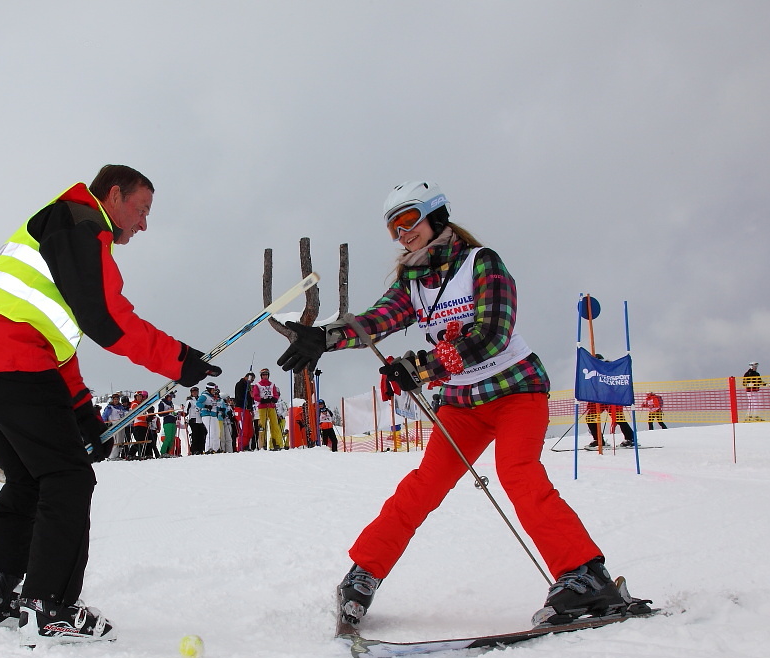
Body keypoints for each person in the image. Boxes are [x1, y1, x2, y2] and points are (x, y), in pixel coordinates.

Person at [276, 179, 645, 629]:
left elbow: (492, 334)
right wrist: (325, 338)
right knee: (423, 486)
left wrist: (424, 367)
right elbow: (377, 320)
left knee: (518, 473)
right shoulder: (413, 282)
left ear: (437, 217)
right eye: (394, 228)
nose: (402, 233)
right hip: (463, 401)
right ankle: (363, 575)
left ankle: (585, 575)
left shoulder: (481, 264)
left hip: (515, 389)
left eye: (409, 220)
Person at [0, 165, 220, 648]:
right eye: (142, 210)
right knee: (67, 479)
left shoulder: (63, 227)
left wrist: (82, 413)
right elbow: (107, 319)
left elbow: (60, 343)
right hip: (6, 350)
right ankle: (52, 607)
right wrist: (178, 360)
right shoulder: (80, 222)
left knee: (29, 477)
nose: (144, 224)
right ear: (114, 194)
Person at [252, 368, 285, 450]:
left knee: (274, 424)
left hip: (271, 406)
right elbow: (255, 396)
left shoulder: (272, 384)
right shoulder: (257, 385)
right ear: (261, 376)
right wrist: (262, 400)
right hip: (262, 407)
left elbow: (276, 394)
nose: (265, 376)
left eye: (266, 374)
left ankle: (276, 443)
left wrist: (274, 399)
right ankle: (262, 444)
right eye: (263, 375)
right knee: (262, 426)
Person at [197, 382, 226, 453]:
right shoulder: (204, 396)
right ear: (209, 389)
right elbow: (198, 403)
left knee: (217, 432)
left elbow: (214, 406)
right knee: (211, 432)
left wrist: (220, 410)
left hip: (213, 415)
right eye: (213, 389)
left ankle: (216, 448)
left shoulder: (212, 397)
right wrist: (206, 406)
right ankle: (208, 448)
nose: (214, 391)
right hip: (207, 415)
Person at [233, 372, 256, 452]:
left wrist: (251, 408)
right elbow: (240, 397)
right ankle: (241, 447)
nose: (251, 382)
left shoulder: (248, 386)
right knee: (244, 429)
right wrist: (248, 395)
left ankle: (246, 445)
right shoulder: (240, 384)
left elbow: (250, 398)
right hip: (240, 409)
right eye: (251, 380)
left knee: (250, 430)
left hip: (247, 409)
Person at [183, 386, 206, 454]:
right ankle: (194, 450)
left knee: (202, 434)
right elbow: (185, 411)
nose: (195, 393)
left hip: (200, 419)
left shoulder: (200, 400)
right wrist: (185, 418)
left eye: (196, 392)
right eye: (193, 392)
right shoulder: (189, 401)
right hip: (193, 419)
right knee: (195, 435)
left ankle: (201, 449)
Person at [158, 391, 179, 456]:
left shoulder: (171, 404)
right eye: (170, 397)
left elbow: (172, 413)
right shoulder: (162, 403)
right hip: (167, 422)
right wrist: (168, 411)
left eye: (172, 397)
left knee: (172, 438)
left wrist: (177, 414)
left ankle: (168, 452)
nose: (171, 399)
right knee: (168, 437)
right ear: (167, 396)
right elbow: (160, 414)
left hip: (173, 422)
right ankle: (163, 452)